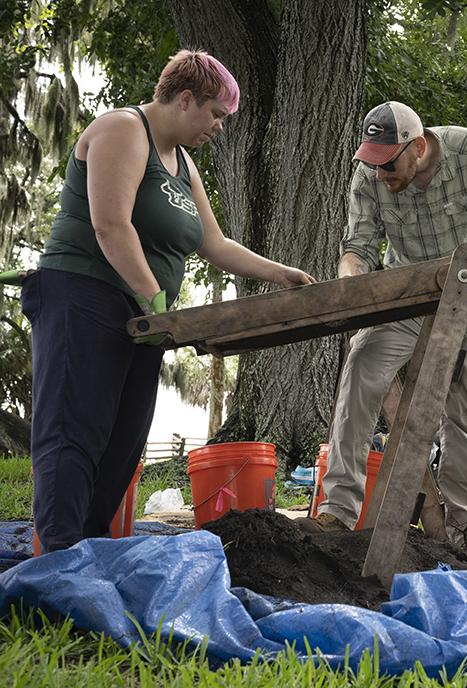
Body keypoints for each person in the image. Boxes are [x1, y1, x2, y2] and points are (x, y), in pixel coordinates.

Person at [21, 50, 315, 554]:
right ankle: (56, 558)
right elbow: (110, 225)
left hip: (143, 316)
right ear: (184, 99)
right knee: (76, 429)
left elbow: (214, 243)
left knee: (123, 439)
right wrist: (156, 301)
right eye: (217, 114)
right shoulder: (122, 129)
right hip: (83, 294)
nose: (221, 127)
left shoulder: (183, 164)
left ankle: (86, 551)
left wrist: (278, 273)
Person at [303, 101, 467, 552]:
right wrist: (351, 280)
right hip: (405, 300)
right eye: (372, 163)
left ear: (418, 147)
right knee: (362, 367)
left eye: (388, 165)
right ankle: (338, 510)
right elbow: (359, 246)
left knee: (458, 418)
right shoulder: (370, 174)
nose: (380, 174)